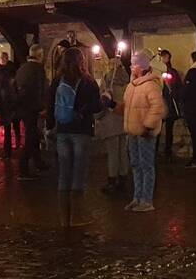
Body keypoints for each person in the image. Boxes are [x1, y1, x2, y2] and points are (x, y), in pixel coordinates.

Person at [47, 47, 102, 227]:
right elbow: (96, 106)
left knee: (64, 173)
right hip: (81, 131)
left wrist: (50, 128)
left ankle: (64, 218)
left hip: (62, 130)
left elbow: (50, 104)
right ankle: (76, 217)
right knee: (78, 173)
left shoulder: (56, 80)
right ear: (81, 61)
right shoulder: (88, 81)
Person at [120, 52, 167, 213]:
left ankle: (146, 200)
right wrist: (111, 103)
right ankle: (136, 197)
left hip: (144, 132)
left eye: (134, 64)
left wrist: (148, 127)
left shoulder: (151, 85)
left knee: (146, 165)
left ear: (142, 66)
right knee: (135, 164)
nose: (131, 67)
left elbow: (157, 108)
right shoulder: (131, 86)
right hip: (132, 132)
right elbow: (126, 107)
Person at [96, 56, 131, 192]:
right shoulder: (127, 82)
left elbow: (102, 100)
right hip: (123, 118)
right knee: (122, 150)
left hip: (111, 119)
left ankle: (112, 179)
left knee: (112, 152)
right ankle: (123, 177)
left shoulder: (107, 81)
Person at [14, 44, 48, 180]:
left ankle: (38, 162)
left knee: (33, 135)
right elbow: (39, 90)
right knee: (31, 137)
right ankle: (23, 169)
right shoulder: (38, 69)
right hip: (32, 108)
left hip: (23, 108)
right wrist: (42, 107)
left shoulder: (22, 68)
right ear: (39, 55)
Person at [0, 52, 21, 160]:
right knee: (9, 127)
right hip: (6, 103)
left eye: (5, 58)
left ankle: (15, 148)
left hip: (10, 102)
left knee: (13, 126)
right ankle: (9, 150)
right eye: (2, 58)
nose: (3, 60)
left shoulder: (9, 70)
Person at [157, 50, 182, 161]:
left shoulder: (172, 72)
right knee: (157, 128)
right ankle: (156, 149)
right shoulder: (157, 71)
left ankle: (167, 150)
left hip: (169, 103)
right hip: (160, 102)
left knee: (168, 129)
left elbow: (178, 86)